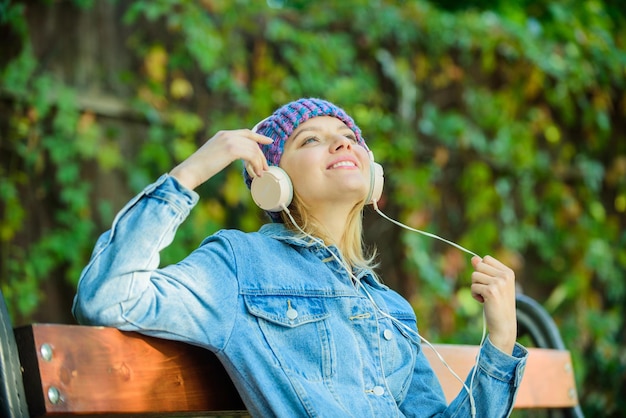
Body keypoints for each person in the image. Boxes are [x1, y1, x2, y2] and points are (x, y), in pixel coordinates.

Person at [72, 98, 528, 417]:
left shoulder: (392, 309)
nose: (342, 143)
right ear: (274, 182)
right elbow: (108, 297)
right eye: (310, 139)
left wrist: (502, 339)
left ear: (373, 178)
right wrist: (192, 171)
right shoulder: (240, 264)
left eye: (348, 136)